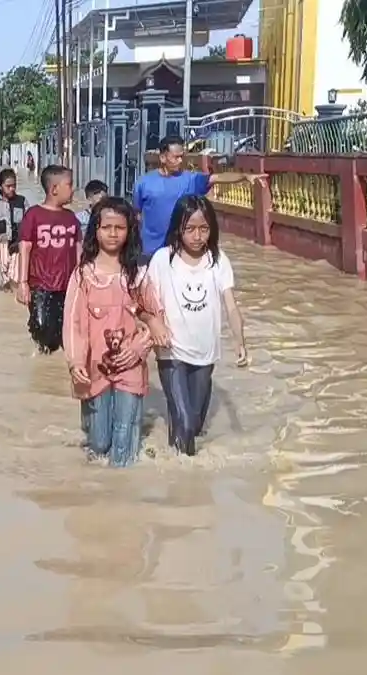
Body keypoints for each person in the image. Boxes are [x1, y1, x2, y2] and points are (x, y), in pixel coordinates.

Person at [64, 197, 170, 467]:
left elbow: (155, 317)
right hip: (93, 367)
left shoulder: (138, 276)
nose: (113, 234)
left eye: (120, 228)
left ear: (129, 231)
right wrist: (76, 361)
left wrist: (139, 348)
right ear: (95, 230)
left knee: (124, 440)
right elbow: (73, 324)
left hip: (131, 366)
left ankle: (122, 485)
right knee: (99, 442)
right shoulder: (83, 276)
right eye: (106, 227)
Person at [147, 195, 249, 457]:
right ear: (178, 228)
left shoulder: (218, 261)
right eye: (190, 228)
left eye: (204, 229)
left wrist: (240, 342)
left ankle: (174, 461)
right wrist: (154, 324)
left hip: (205, 353)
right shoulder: (162, 259)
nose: (197, 236)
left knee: (195, 423)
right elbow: (146, 301)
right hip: (171, 351)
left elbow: (231, 305)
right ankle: (182, 475)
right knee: (184, 419)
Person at [132, 135, 266, 258]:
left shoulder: (190, 180)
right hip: (150, 252)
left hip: (180, 252)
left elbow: (217, 178)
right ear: (162, 158)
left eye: (182, 157)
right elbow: (136, 216)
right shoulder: (144, 183)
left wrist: (244, 176)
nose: (180, 161)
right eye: (176, 157)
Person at [16, 164, 80, 353]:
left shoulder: (71, 218)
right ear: (54, 189)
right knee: (41, 327)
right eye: (70, 184)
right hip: (40, 285)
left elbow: (79, 249)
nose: (73, 189)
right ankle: (41, 362)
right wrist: (22, 283)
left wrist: (81, 281)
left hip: (66, 286)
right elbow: (25, 247)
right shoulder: (33, 215)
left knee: (64, 332)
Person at [0, 168, 27, 291]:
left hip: (17, 245)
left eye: (14, 186)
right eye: (8, 186)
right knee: (6, 278)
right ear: (0, 186)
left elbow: (30, 223)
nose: (12, 189)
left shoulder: (22, 201)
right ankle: (4, 294)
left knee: (14, 277)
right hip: (0, 245)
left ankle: (13, 297)